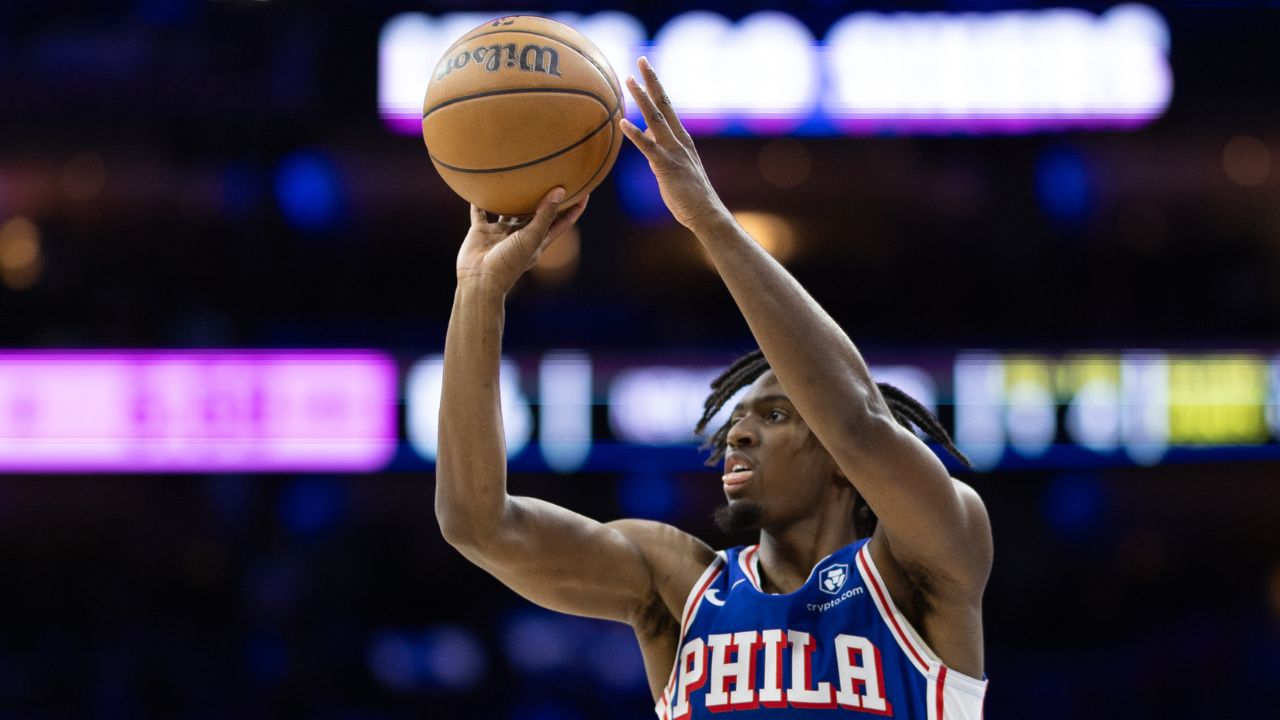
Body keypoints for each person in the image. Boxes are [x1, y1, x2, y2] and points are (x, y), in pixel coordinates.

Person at [435, 58, 993, 719]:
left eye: (777, 414)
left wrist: (708, 220)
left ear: (845, 470)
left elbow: (857, 421)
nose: (739, 431)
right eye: (739, 417)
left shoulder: (920, 573)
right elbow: (478, 525)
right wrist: (479, 291)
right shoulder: (679, 585)